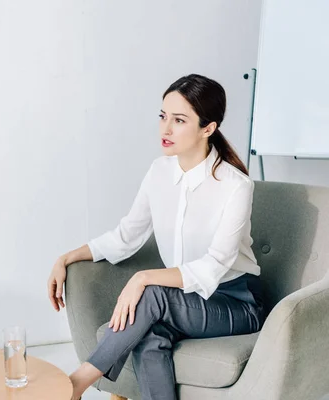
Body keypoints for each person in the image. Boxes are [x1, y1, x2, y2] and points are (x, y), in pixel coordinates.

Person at [47, 74, 266, 400]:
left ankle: (77, 383)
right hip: (178, 302)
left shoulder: (235, 186)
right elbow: (125, 236)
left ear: (208, 128)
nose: (165, 129)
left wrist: (144, 278)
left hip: (233, 304)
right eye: (163, 116)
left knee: (151, 293)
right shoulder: (159, 173)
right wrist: (66, 258)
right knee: (148, 336)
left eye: (179, 120)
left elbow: (214, 265)